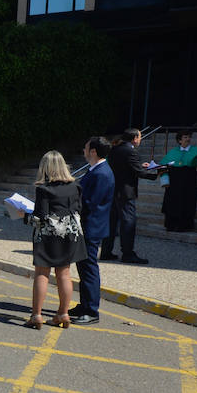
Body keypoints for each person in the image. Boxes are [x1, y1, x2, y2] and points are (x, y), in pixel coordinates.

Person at [26, 151, 87, 329]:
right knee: (64, 274)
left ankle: (36, 315)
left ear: (45, 168)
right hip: (70, 234)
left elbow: (40, 217)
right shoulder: (76, 186)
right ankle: (63, 313)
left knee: (42, 273)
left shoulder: (44, 189)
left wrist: (23, 215)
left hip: (48, 237)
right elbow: (78, 209)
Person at [69, 137, 114, 325]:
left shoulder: (102, 173)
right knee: (83, 267)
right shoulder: (95, 169)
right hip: (88, 226)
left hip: (91, 228)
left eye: (86, 148)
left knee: (89, 270)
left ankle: (92, 310)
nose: (84, 150)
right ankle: (84, 304)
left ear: (94, 151)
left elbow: (89, 203)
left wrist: (69, 204)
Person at [102, 128, 155, 264]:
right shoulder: (131, 151)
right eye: (139, 137)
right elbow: (139, 173)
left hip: (113, 190)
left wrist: (139, 165)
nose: (140, 140)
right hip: (125, 192)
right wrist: (157, 173)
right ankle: (127, 253)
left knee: (111, 222)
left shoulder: (114, 149)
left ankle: (106, 251)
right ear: (135, 138)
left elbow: (125, 166)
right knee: (128, 222)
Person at [159, 131, 197, 232]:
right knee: (172, 201)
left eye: (189, 137)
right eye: (185, 137)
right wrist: (164, 179)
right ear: (179, 140)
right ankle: (171, 225)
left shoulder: (195, 150)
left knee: (187, 201)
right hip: (174, 179)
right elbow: (163, 166)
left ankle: (184, 226)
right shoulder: (173, 151)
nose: (188, 139)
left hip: (189, 179)